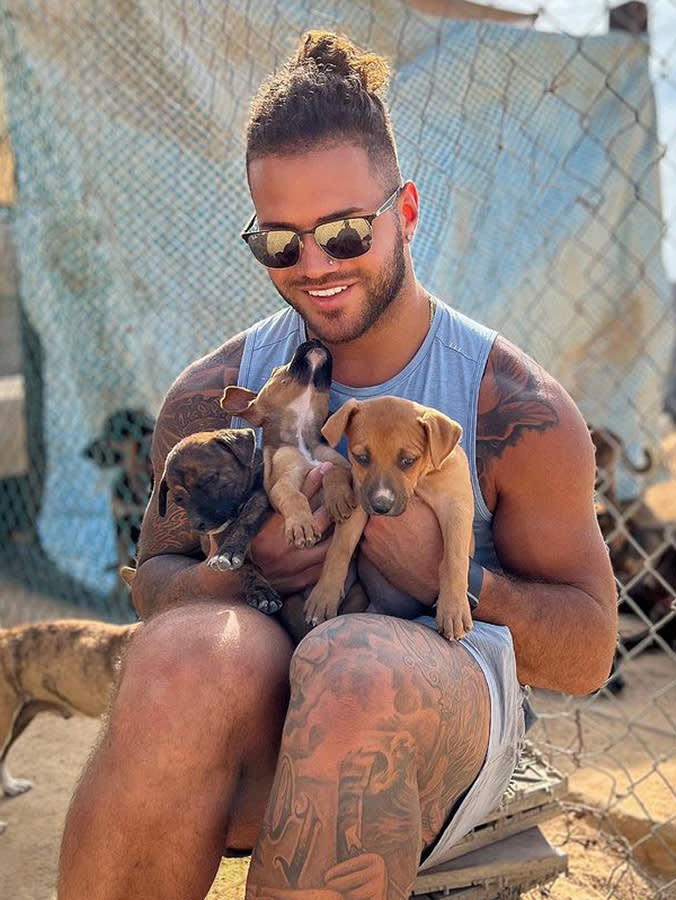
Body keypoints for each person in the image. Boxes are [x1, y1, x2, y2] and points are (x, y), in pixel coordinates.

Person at [57, 30, 617, 900]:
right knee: (176, 662)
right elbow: (157, 578)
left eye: (346, 232)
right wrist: (244, 573)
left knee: (353, 670)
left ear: (408, 212)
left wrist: (452, 576)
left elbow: (587, 652)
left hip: (436, 711)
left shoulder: (512, 406)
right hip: (261, 692)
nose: (314, 267)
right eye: (280, 243)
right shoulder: (217, 396)